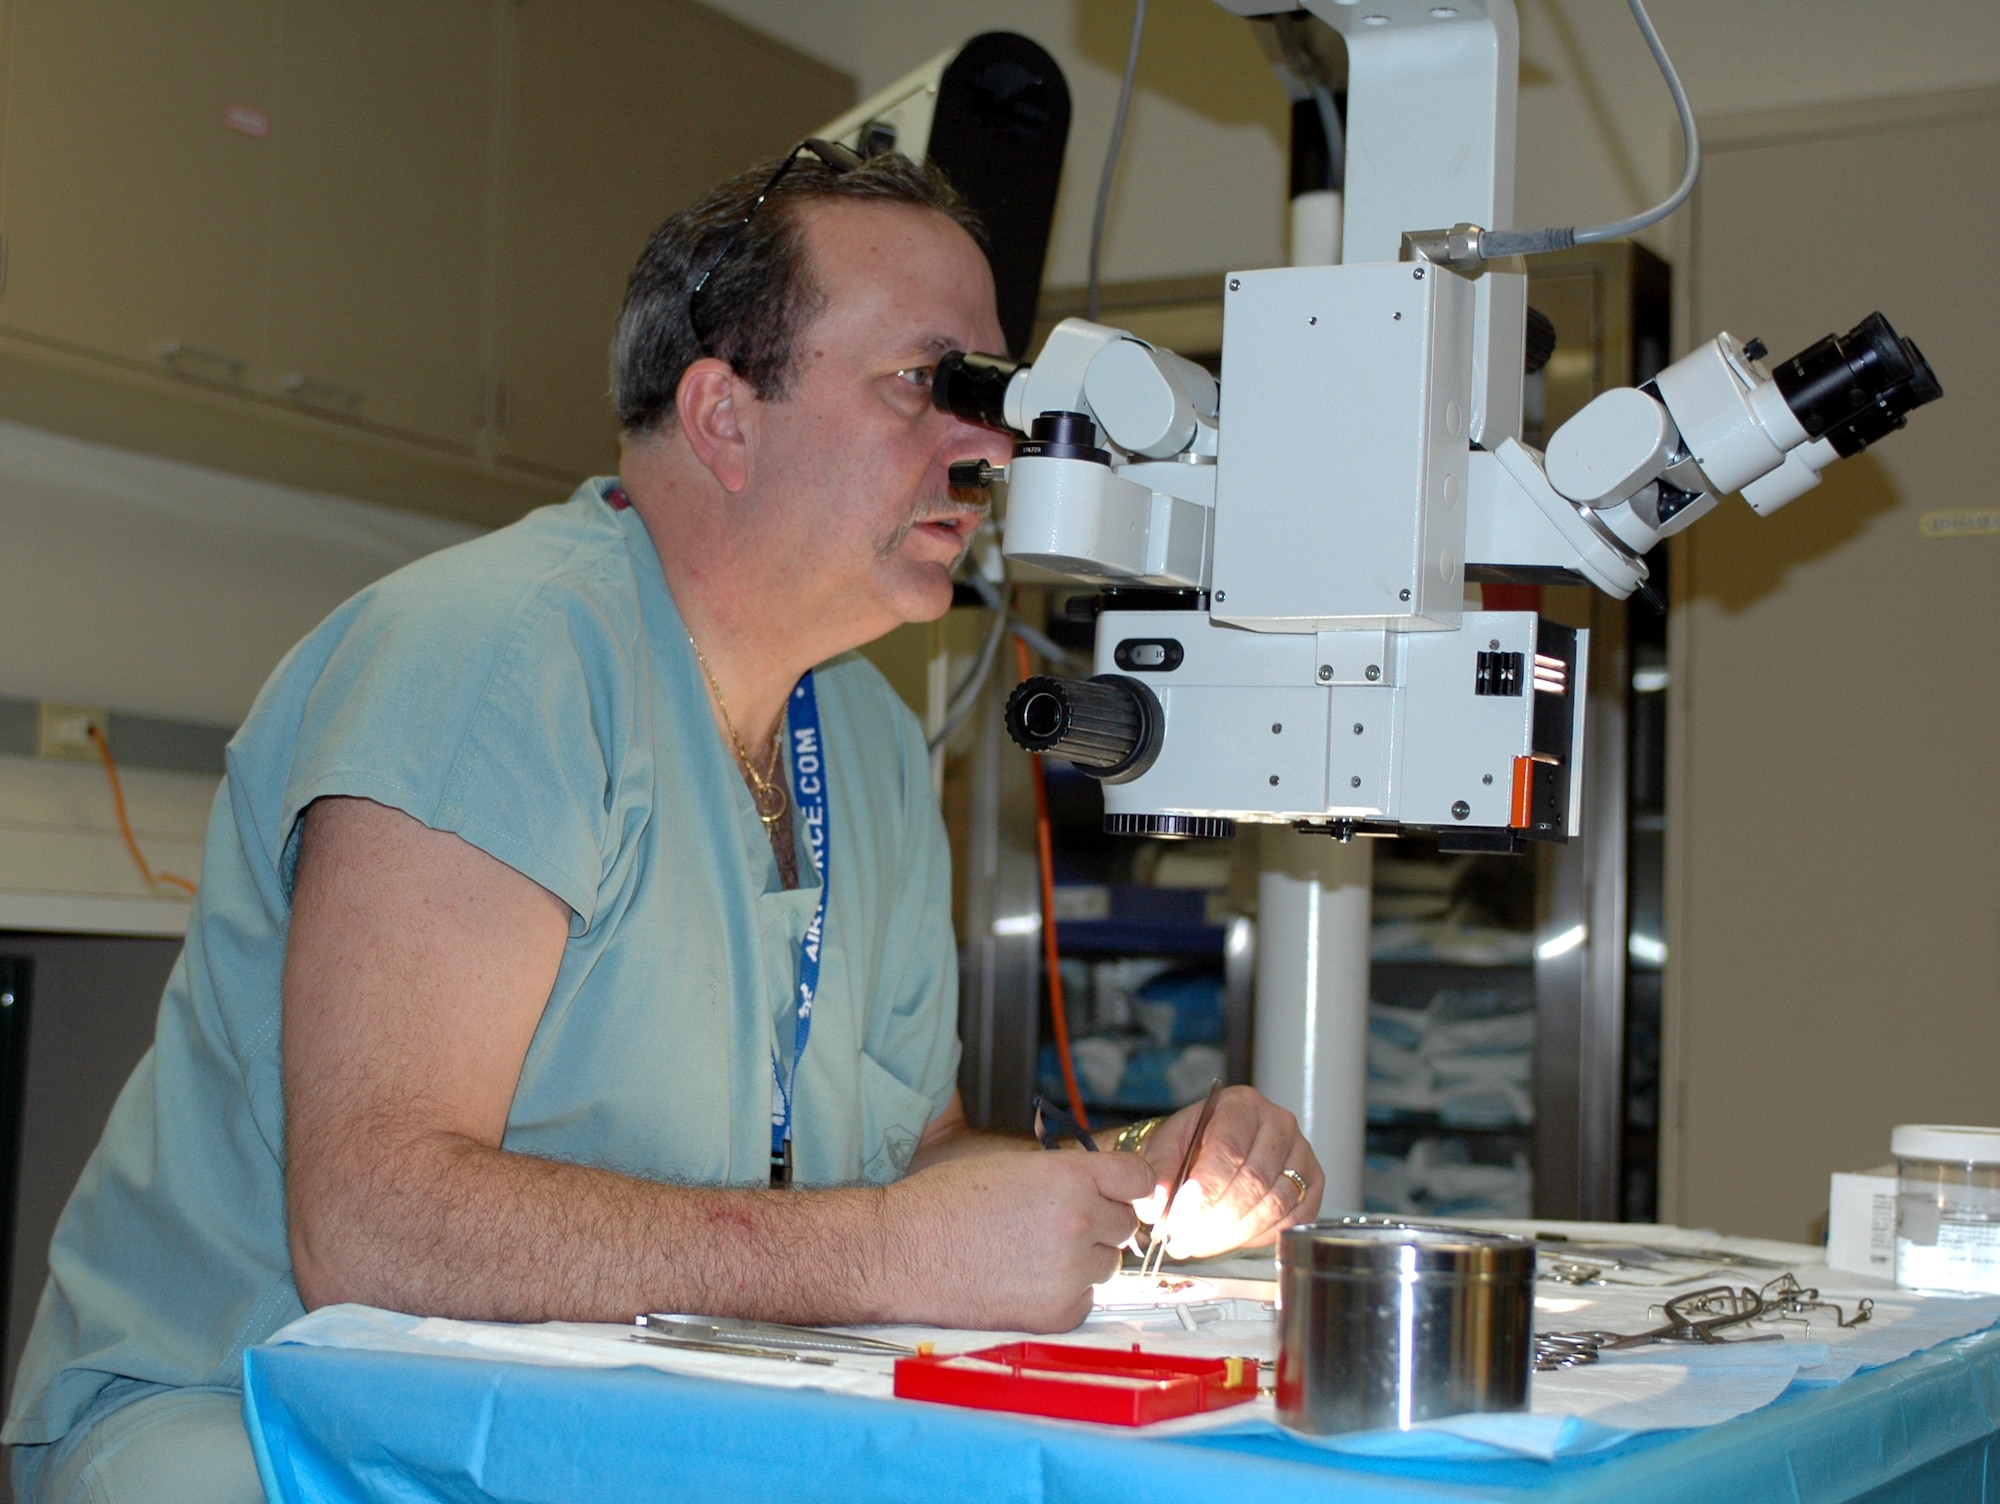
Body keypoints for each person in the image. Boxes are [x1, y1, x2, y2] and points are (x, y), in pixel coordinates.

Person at [3, 146, 1323, 1504]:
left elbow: (914, 1168)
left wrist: (1115, 1184)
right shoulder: (499, 658)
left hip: (609, 1405)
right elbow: (375, 1229)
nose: (990, 445)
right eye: (933, 386)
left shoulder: (863, 734)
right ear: (724, 417)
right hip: (267, 1412)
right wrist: (881, 1255)